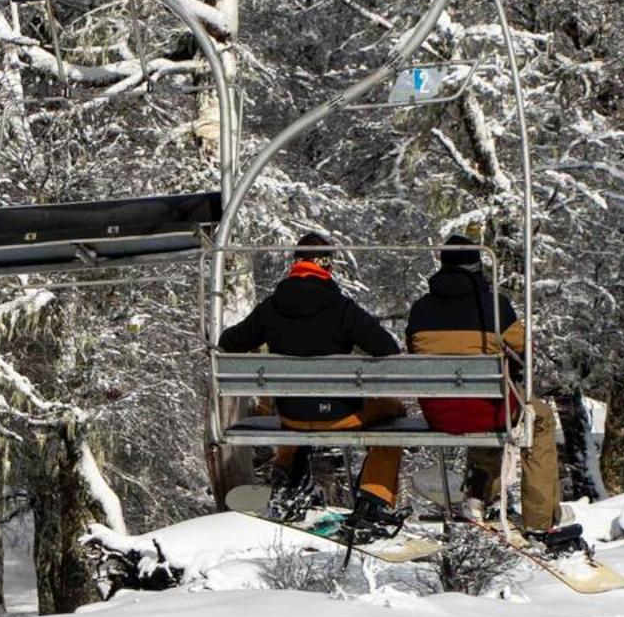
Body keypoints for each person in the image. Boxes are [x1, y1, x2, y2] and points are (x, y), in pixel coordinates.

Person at [217, 233, 407, 531]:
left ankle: (287, 485)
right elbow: (387, 348)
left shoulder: (271, 308)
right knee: (393, 418)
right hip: (341, 415)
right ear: (327, 266)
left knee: (298, 417)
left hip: (292, 416)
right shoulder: (342, 308)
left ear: (295, 264)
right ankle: (373, 500)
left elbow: (229, 342)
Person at [405, 234, 576, 548]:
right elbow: (524, 348)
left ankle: (478, 497)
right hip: (488, 409)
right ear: (477, 266)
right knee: (538, 418)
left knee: (487, 408)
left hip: (439, 412)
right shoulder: (495, 308)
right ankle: (541, 521)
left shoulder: (420, 309)